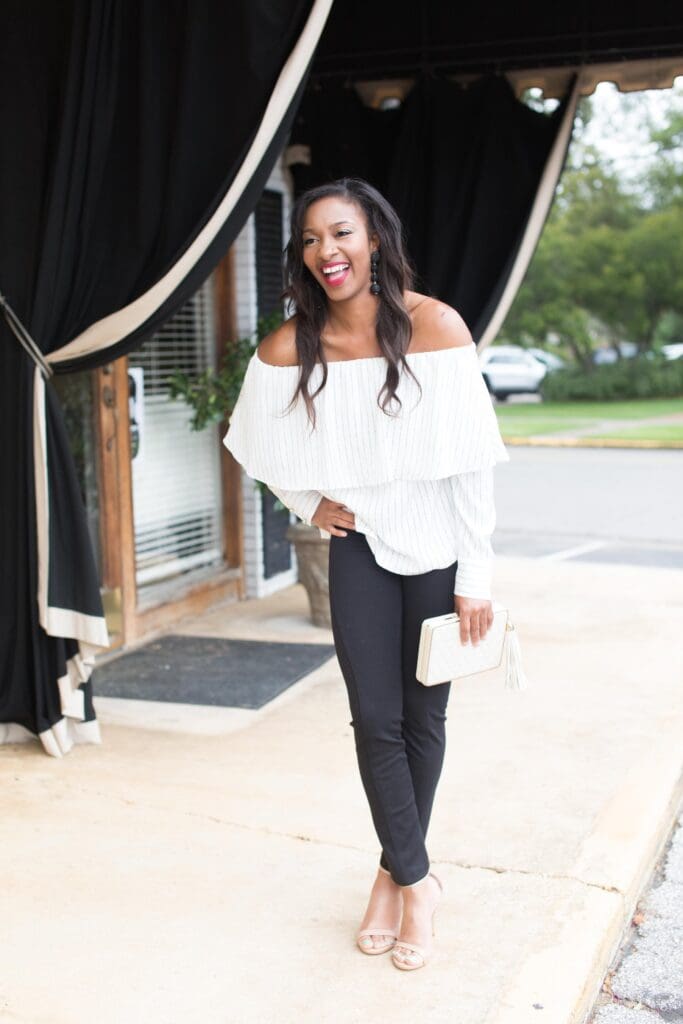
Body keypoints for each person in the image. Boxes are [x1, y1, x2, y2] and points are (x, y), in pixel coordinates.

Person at [223, 177, 509, 972]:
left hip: (442, 552)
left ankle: (389, 877)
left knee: (425, 720)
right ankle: (418, 881)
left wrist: (475, 574)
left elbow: (473, 463)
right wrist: (309, 501)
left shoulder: (435, 326)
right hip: (359, 549)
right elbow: (249, 438)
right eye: (312, 240)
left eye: (341, 234)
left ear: (374, 239)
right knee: (374, 718)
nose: (326, 252)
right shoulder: (291, 344)